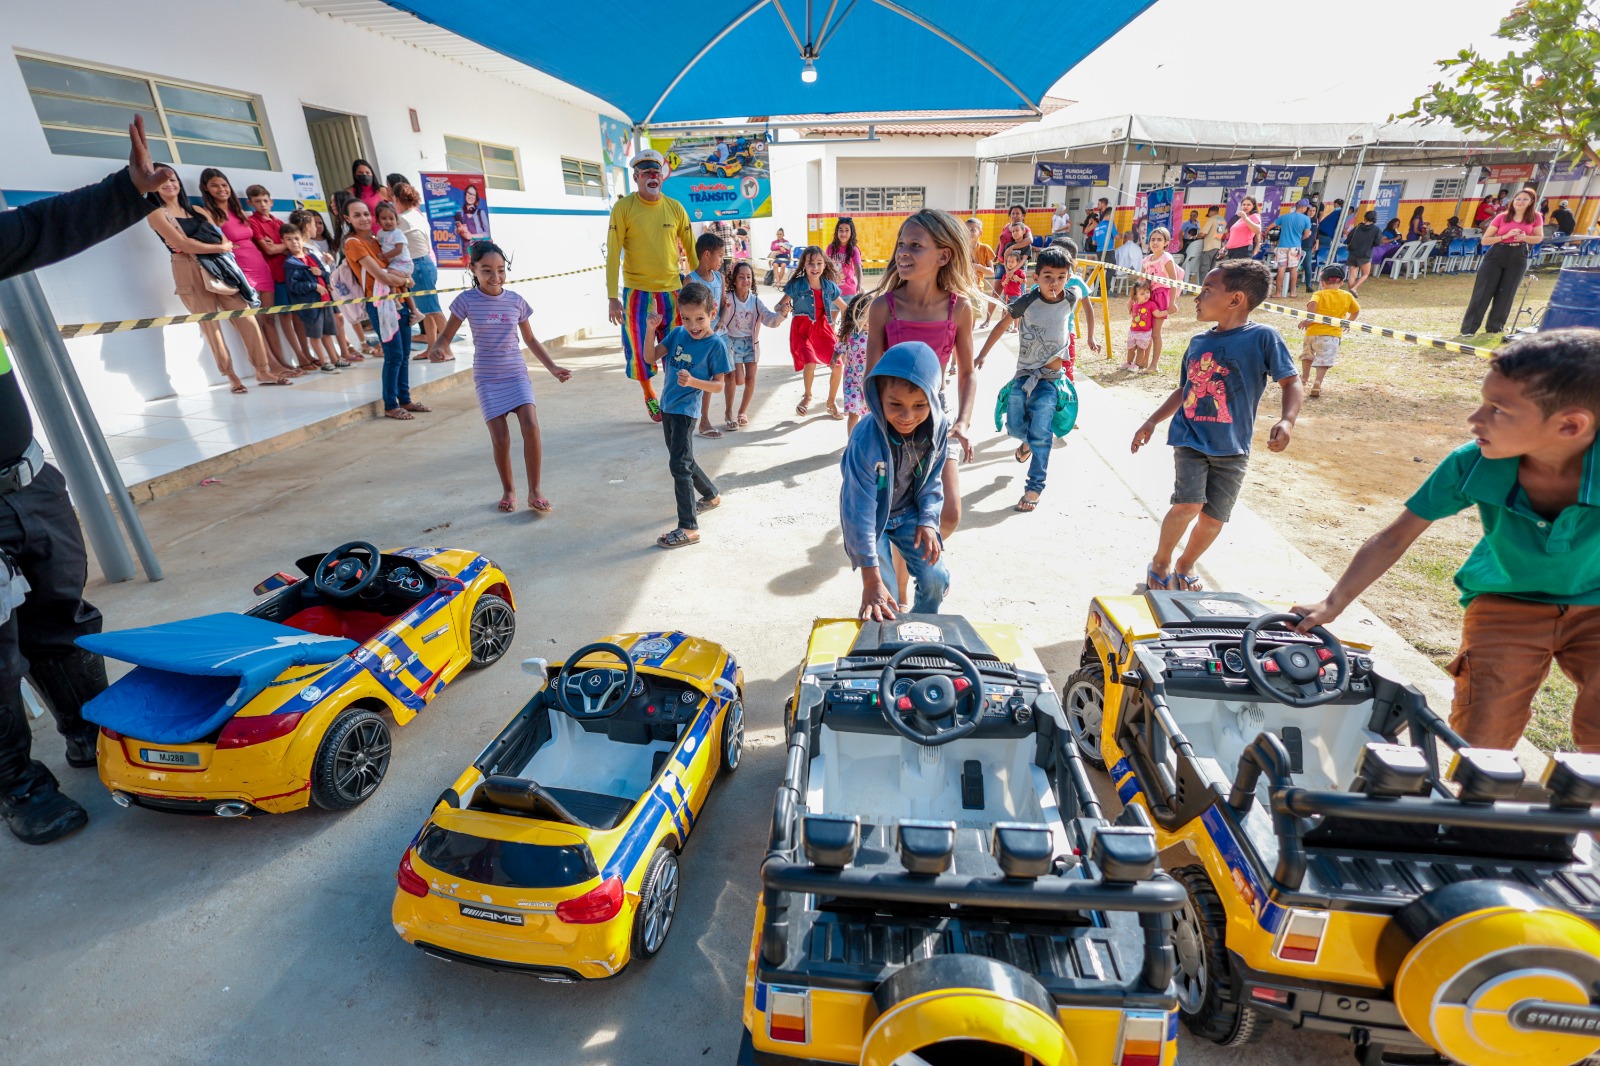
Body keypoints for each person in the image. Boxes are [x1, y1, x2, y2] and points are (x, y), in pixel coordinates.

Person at [1292, 330, 1600, 752]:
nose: (1475, 419)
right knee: (1481, 736)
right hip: (1507, 601)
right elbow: (1394, 536)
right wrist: (1333, 603)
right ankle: (1472, 813)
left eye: (1497, 410)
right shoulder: (1470, 462)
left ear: (1570, 425)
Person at [0, 116, 168, 845]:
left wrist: (129, 189)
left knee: (61, 613)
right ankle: (18, 785)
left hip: (30, 482)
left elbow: (44, 227)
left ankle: (86, 731)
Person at [1131, 259, 1302, 591]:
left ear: (1235, 299)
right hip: (1191, 438)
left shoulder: (1264, 338)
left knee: (1213, 518)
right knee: (1188, 504)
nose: (1198, 297)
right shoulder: (1198, 343)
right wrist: (1152, 421)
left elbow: (1291, 382)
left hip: (1233, 446)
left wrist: (1287, 420)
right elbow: (1185, 389)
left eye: (1207, 291)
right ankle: (1162, 561)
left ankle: (1185, 563)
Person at [422, 240, 571, 513]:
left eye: (501, 270)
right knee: (501, 439)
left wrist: (552, 367)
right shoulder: (466, 301)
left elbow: (531, 339)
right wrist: (438, 348)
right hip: (488, 378)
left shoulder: (516, 301)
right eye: (487, 270)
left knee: (531, 426)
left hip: (516, 373)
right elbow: (447, 335)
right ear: (473, 270)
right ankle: (509, 490)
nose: (495, 277)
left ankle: (535, 490)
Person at [864, 209, 980, 547]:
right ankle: (901, 588)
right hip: (891, 414)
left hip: (937, 415)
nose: (903, 252)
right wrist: (878, 425)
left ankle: (918, 560)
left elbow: (969, 372)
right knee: (890, 512)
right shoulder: (884, 308)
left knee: (950, 514)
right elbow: (871, 377)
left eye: (915, 245)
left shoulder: (959, 309)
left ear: (944, 255)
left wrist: (963, 422)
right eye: (901, 244)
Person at [145, 166, 281, 391]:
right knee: (211, 326)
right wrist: (217, 246)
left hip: (219, 268)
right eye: (163, 181)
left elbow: (223, 239)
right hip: (187, 270)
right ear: (154, 187)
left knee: (246, 317)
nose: (170, 184)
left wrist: (211, 246)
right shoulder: (156, 213)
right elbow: (182, 245)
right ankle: (231, 376)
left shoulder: (198, 210)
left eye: (173, 179)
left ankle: (263, 370)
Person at [842, 340, 950, 620]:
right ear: (878, 396)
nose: (907, 416)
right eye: (895, 404)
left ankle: (918, 627)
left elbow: (931, 479)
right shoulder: (865, 440)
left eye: (919, 405)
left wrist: (928, 519)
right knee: (882, 595)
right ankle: (888, 645)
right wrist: (870, 578)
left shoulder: (937, 429)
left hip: (909, 513)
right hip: (872, 517)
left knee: (935, 579)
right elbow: (859, 510)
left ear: (933, 399)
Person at [974, 245, 1079, 513]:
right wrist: (983, 354)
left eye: (1060, 276)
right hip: (1024, 375)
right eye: (1047, 276)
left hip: (1052, 379)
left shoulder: (1071, 298)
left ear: (1068, 277)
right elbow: (1000, 324)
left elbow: (1084, 301)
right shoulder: (1027, 301)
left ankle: (1034, 487)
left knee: (1042, 433)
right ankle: (1026, 441)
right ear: (1036, 277)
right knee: (1017, 426)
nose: (1054, 282)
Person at [605, 149, 694, 423]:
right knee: (639, 351)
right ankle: (649, 396)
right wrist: (612, 296)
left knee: (676, 349)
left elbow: (690, 248)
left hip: (672, 293)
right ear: (636, 178)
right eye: (646, 173)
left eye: (656, 172)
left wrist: (695, 281)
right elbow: (612, 253)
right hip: (637, 294)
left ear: (662, 176)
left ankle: (670, 397)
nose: (652, 177)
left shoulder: (675, 207)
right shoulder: (623, 209)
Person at [644, 281, 730, 549]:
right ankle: (711, 494)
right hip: (668, 407)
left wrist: (693, 382)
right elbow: (650, 357)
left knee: (678, 465)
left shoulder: (715, 345)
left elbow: (719, 385)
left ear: (712, 313)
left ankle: (689, 527)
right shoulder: (678, 334)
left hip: (685, 412)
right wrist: (650, 330)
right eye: (688, 318)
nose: (693, 325)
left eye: (700, 318)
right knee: (682, 457)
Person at [198, 169, 297, 379]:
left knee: (268, 318)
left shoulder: (239, 212)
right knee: (254, 322)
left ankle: (282, 361)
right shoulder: (209, 213)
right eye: (215, 185)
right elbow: (215, 241)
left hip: (260, 266)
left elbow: (256, 240)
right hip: (238, 269)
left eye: (224, 185)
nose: (221, 189)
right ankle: (269, 366)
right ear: (206, 188)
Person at [342, 197, 424, 420]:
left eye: (366, 214)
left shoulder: (379, 240)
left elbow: (396, 269)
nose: (364, 218)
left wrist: (403, 281)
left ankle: (405, 399)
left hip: (398, 299)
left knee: (405, 353)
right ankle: (390, 404)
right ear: (347, 219)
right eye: (357, 215)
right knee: (394, 354)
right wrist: (406, 281)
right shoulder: (353, 243)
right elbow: (381, 276)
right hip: (380, 303)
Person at [245, 184, 314, 371]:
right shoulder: (254, 222)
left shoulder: (278, 223)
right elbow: (269, 249)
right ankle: (298, 357)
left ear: (272, 201)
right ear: (250, 203)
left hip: (291, 275)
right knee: (284, 317)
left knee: (298, 315)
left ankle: (306, 352)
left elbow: (292, 247)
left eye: (265, 200)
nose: (262, 204)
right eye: (257, 201)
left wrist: (280, 246)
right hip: (274, 276)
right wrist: (283, 246)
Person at [1460, 187, 1544, 337]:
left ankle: (1495, 327)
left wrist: (1525, 237)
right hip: (1497, 253)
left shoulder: (1536, 217)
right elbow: (1485, 240)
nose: (1520, 202)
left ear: (1531, 202)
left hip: (1519, 254)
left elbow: (1538, 237)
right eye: (1518, 199)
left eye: (1525, 199)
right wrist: (1504, 236)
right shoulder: (1502, 216)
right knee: (1483, 291)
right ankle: (1469, 329)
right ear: (1513, 200)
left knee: (1507, 293)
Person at [717, 260, 787, 430]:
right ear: (734, 280)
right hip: (731, 343)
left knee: (750, 379)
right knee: (735, 378)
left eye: (749, 277)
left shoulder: (755, 301)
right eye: (741, 277)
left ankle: (741, 412)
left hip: (750, 344)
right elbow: (721, 321)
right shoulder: (729, 299)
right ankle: (728, 412)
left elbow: (770, 319)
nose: (745, 280)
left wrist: (782, 314)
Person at [780, 245, 846, 417]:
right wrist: (783, 308)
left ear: (824, 265)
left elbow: (845, 308)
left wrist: (860, 319)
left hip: (822, 329)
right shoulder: (796, 285)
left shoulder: (829, 286)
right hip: (801, 329)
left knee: (837, 365)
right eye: (810, 264)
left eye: (818, 263)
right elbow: (779, 304)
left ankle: (831, 402)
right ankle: (807, 396)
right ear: (804, 265)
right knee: (810, 362)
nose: (815, 268)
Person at [391, 181, 448, 362]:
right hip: (425, 264)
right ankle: (431, 348)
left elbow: (394, 244)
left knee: (434, 310)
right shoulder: (416, 215)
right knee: (427, 311)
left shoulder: (403, 219)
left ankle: (447, 349)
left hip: (419, 266)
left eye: (393, 197)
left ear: (398, 199)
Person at [280, 223, 344, 373]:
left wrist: (322, 276)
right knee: (315, 335)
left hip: (325, 301)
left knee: (327, 333)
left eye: (296, 238)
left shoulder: (312, 257)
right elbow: (294, 286)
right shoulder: (290, 264)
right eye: (288, 239)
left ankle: (335, 360)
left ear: (302, 240)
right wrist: (313, 286)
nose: (294, 242)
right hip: (310, 305)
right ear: (284, 243)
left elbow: (325, 273)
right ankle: (324, 362)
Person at [683, 231, 727, 438]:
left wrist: (722, 323)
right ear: (707, 254)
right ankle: (692, 418)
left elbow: (724, 304)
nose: (722, 260)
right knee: (696, 378)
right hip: (697, 337)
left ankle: (705, 419)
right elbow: (685, 309)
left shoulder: (720, 278)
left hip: (716, 336)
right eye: (720, 255)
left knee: (714, 378)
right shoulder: (690, 279)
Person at [1296, 265, 1359, 398]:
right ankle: (1317, 382)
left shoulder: (1319, 293)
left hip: (1312, 332)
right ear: (1342, 282)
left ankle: (1304, 377)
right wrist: (1348, 322)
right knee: (1324, 360)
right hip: (1331, 335)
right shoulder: (1347, 295)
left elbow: (1312, 304)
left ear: (1322, 282)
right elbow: (1356, 310)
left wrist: (1309, 319)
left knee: (1307, 355)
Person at [1141, 227, 1180, 371]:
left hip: (1161, 296)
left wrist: (1172, 302)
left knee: (1155, 333)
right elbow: (1141, 281)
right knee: (1146, 331)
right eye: (1153, 239)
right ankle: (1144, 361)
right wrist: (1133, 300)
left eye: (1159, 239)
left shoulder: (1166, 258)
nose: (1155, 242)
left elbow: (1174, 281)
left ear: (1166, 242)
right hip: (1147, 297)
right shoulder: (1145, 260)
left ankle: (1154, 364)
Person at [374, 201, 419, 322]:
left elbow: (399, 249)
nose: (388, 221)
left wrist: (385, 256)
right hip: (396, 264)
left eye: (391, 218)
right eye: (384, 218)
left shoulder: (397, 233)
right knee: (404, 288)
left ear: (397, 220)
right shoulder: (380, 233)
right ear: (377, 221)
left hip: (404, 263)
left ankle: (394, 300)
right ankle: (415, 311)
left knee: (389, 275)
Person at [834, 293, 872, 433]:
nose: (866, 319)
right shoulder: (851, 331)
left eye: (869, 314)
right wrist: (835, 357)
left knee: (868, 415)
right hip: (852, 380)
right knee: (853, 414)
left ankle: (861, 442)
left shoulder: (877, 332)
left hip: (871, 381)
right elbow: (841, 345)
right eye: (863, 314)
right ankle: (851, 444)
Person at [1274, 200, 1314, 298]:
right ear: (1303, 208)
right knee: (1293, 270)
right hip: (1295, 247)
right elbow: (1306, 235)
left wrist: (1267, 234)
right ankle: (1292, 293)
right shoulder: (1306, 219)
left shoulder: (1285, 217)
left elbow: (1270, 227)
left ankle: (1278, 293)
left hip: (1282, 246)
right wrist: (1299, 238)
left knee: (1281, 269)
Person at [1120, 279, 1158, 372]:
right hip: (1133, 331)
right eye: (1142, 294)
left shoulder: (1151, 304)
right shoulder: (1135, 305)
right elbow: (1130, 309)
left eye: (1147, 292)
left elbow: (1157, 314)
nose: (1146, 295)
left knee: (1141, 349)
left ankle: (1136, 365)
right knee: (1130, 348)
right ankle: (1129, 363)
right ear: (1136, 296)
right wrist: (1130, 302)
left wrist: (1168, 311)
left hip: (1145, 332)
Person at [967, 217, 997, 328]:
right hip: (962, 287)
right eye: (966, 230)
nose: (969, 233)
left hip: (977, 288)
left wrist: (978, 267)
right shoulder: (962, 249)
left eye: (972, 230)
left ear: (980, 233)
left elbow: (991, 272)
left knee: (973, 315)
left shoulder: (985, 248)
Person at [1344, 210, 1383, 295]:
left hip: (1353, 253)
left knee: (1352, 275)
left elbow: (1349, 238)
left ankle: (1350, 294)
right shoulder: (1376, 229)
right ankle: (1354, 288)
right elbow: (1377, 243)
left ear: (1365, 217)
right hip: (1365, 254)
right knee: (1365, 274)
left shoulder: (1358, 227)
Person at [826, 217, 864, 300]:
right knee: (830, 313)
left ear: (851, 232)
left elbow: (858, 268)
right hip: (833, 291)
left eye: (847, 230)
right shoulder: (830, 248)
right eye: (841, 230)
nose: (843, 233)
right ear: (837, 232)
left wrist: (860, 284)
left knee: (847, 313)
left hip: (849, 292)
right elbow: (826, 266)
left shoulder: (854, 250)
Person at [1224, 196, 1262, 260]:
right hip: (1232, 250)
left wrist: (1246, 218)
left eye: (1248, 205)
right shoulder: (1240, 218)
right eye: (1243, 204)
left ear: (1253, 206)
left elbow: (1258, 231)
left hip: (1242, 250)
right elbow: (1234, 235)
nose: (1245, 206)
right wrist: (1225, 247)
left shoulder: (1254, 216)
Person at [1197, 206, 1226, 281]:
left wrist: (1197, 236)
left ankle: (1202, 287)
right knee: (1213, 269)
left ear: (1210, 212)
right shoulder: (1222, 220)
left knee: (1204, 269)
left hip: (1209, 246)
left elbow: (1203, 233)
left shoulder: (1212, 219)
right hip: (1218, 246)